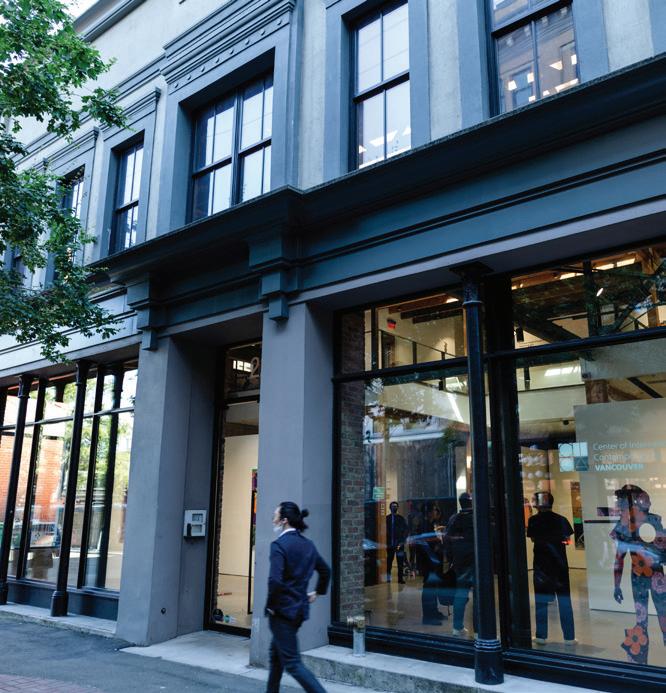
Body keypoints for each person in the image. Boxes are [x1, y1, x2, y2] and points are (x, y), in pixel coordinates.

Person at [265, 501, 331, 693]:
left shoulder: (279, 545)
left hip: (283, 612)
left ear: (284, 520)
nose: (273, 518)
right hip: (299, 610)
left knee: (293, 663)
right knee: (276, 656)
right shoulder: (307, 545)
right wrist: (317, 592)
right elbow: (325, 571)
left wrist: (271, 606)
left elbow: (275, 581)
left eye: (276, 515)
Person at [610, 485, 666, 664]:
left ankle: (639, 661)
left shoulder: (627, 524)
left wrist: (617, 585)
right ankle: (639, 660)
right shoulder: (652, 521)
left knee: (648, 618)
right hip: (654, 576)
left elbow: (619, 559)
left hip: (644, 577)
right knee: (661, 614)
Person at [527, 491, 576, 646]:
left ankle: (541, 635)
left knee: (541, 600)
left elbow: (533, 539)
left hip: (541, 565)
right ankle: (569, 637)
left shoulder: (533, 520)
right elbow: (567, 540)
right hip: (560, 564)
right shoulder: (561, 520)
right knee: (564, 600)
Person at [445, 492, 475, 637]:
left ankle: (457, 627)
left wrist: (451, 559)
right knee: (480, 596)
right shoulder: (476, 518)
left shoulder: (454, 519)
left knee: (461, 594)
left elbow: (447, 540)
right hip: (475, 561)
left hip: (460, 561)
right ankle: (480, 631)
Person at [385, 501, 408, 583]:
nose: (394, 507)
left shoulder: (401, 518)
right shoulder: (386, 518)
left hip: (399, 544)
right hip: (390, 544)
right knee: (389, 562)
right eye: (393, 506)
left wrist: (402, 541)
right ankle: (388, 578)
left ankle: (400, 579)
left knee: (400, 562)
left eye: (395, 506)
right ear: (390, 508)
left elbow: (406, 530)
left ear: (397, 508)